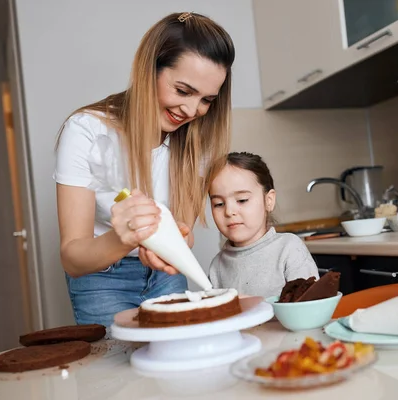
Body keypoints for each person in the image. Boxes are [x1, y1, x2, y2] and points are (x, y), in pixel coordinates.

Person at [54, 12, 235, 326]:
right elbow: (72, 258)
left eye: (207, 99)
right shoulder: (87, 132)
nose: (192, 111)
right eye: (183, 91)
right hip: (102, 279)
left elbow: (181, 229)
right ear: (148, 69)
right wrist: (125, 238)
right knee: (116, 371)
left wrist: (173, 243)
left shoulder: (196, 140)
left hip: (165, 275)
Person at [207, 152, 319, 298]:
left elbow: (309, 306)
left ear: (269, 200)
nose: (229, 211)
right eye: (218, 204)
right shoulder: (217, 265)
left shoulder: (289, 248)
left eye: (242, 200)